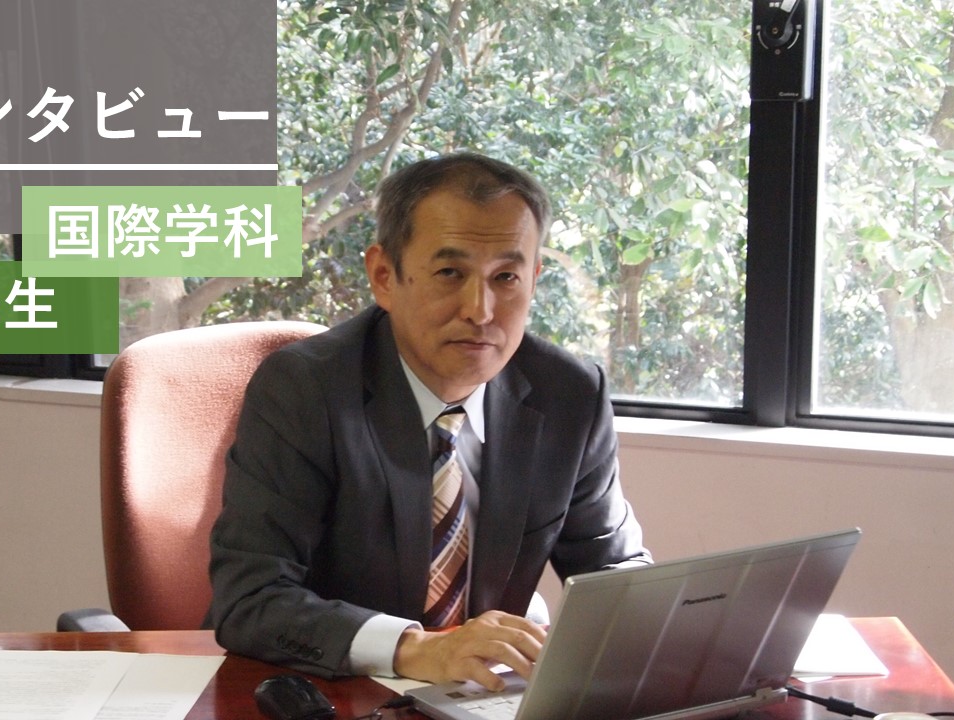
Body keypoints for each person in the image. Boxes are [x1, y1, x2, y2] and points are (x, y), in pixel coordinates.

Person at [205, 152, 650, 690]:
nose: (480, 310)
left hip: (478, 697)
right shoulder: (304, 390)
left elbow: (614, 574)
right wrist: (416, 648)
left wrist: (673, 625)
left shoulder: (569, 395)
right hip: (321, 689)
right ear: (384, 276)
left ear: (534, 279)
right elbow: (250, 599)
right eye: (450, 273)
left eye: (506, 277)